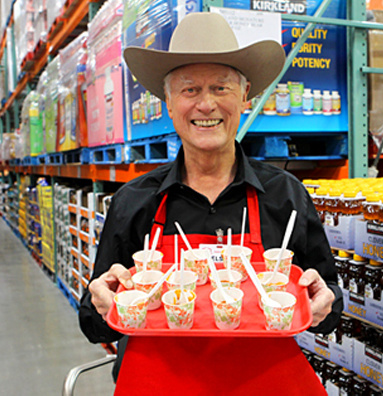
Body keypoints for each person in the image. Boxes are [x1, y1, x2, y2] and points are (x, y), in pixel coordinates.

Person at [79, 12, 342, 395]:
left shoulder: (285, 196)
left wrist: (325, 302)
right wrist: (101, 302)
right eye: (189, 90)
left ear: (244, 96)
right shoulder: (134, 202)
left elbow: (328, 303)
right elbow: (92, 321)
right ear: (168, 103)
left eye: (221, 88)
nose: (206, 105)